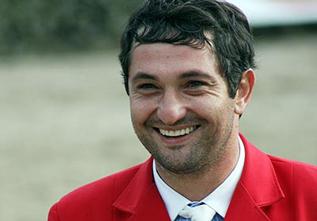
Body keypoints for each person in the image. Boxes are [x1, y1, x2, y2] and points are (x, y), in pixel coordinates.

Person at [48, 0, 317, 220]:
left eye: (194, 85)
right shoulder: (76, 214)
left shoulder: (311, 199)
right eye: (148, 87)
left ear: (242, 91)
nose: (170, 113)